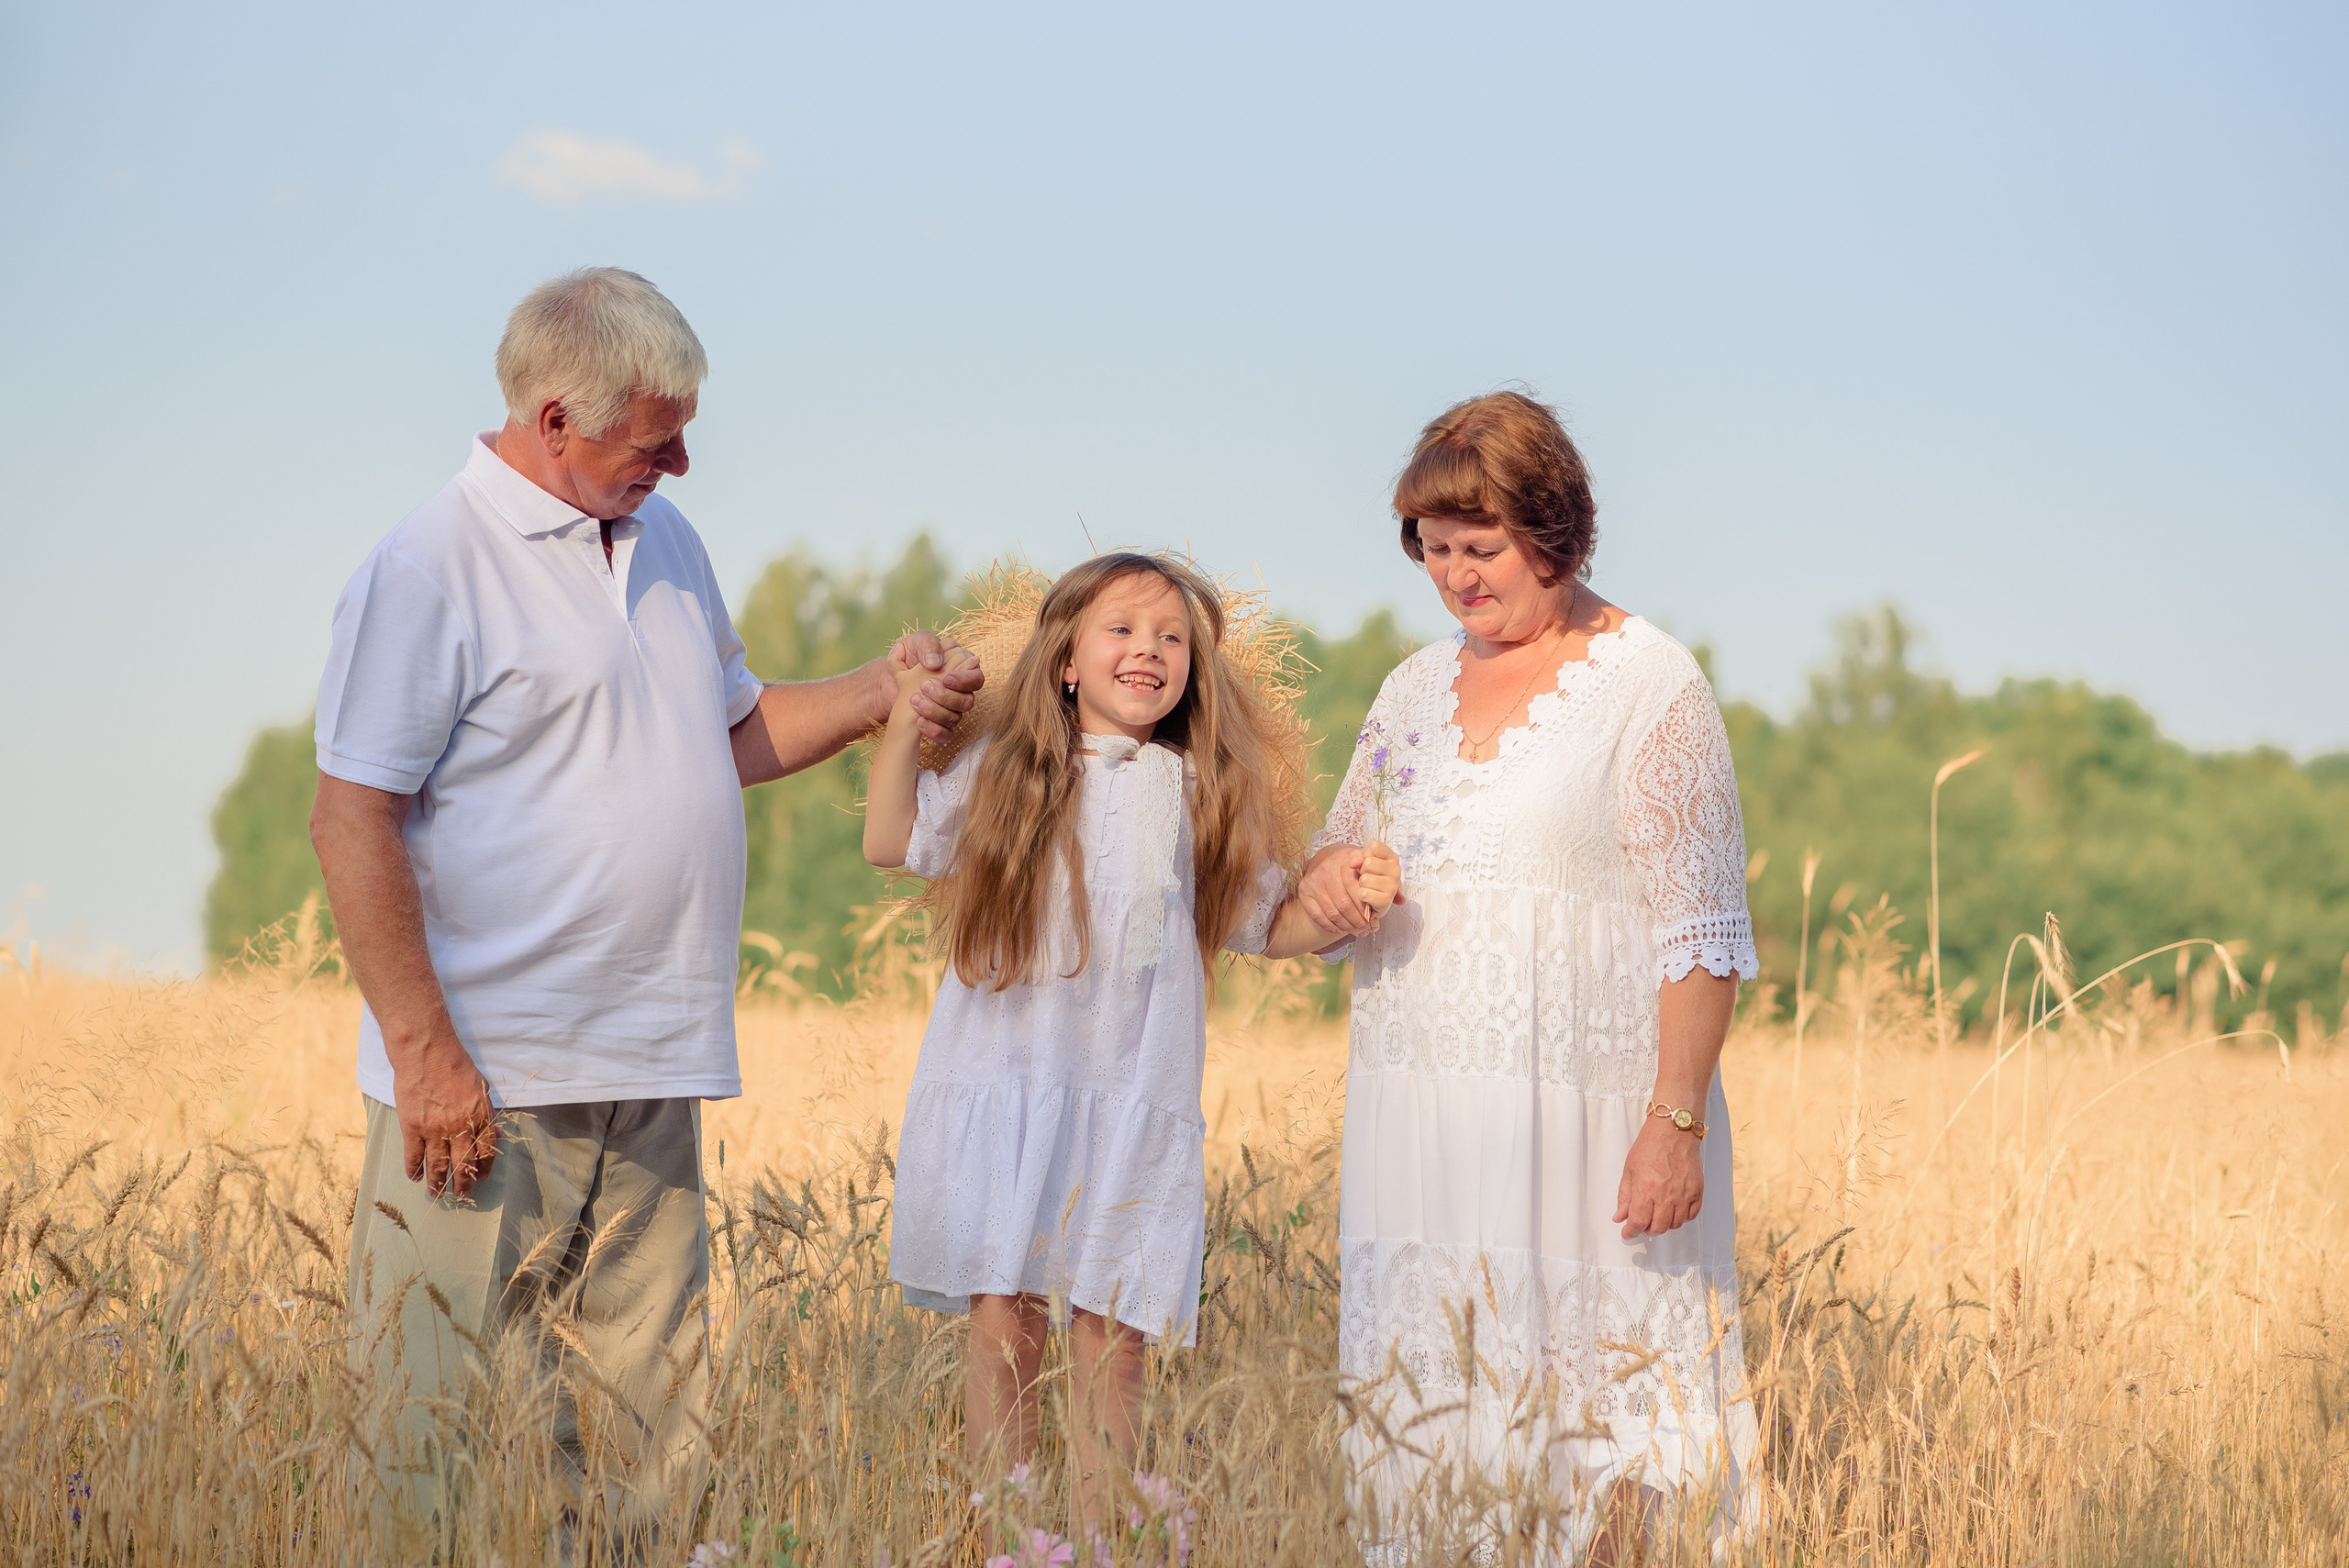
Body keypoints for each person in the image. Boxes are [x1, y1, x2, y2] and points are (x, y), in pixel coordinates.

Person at [309, 267, 982, 1551]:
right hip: (488, 1081)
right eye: (655, 437)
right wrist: (425, 1054)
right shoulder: (428, 566)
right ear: (556, 420)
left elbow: (727, 731)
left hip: (654, 1067)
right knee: (429, 1449)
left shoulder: (666, 540)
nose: (681, 462)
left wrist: (881, 692)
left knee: (646, 1458)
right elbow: (351, 818)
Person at [1295, 391, 1760, 1562]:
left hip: (1591, 1135)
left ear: (1554, 530)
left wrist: (1674, 1121)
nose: (1455, 575)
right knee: (1436, 1430)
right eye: (1433, 548)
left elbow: (1701, 930)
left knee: (1611, 1431)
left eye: (1481, 547)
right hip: (1423, 1136)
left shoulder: (1651, 681)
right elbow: (1320, 882)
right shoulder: (1408, 690)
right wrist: (1337, 885)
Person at [861, 552, 1395, 1531]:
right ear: (1065, 660)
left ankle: (1103, 1537)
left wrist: (1342, 905)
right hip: (1010, 1076)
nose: (1148, 649)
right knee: (1006, 1314)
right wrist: (903, 721)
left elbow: (1265, 922)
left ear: (1193, 668)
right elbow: (893, 840)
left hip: (1133, 1088)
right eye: (1121, 629)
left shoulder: (1201, 791)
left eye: (1171, 637)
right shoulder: (1008, 771)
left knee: (1115, 1329)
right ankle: (1010, 1535)